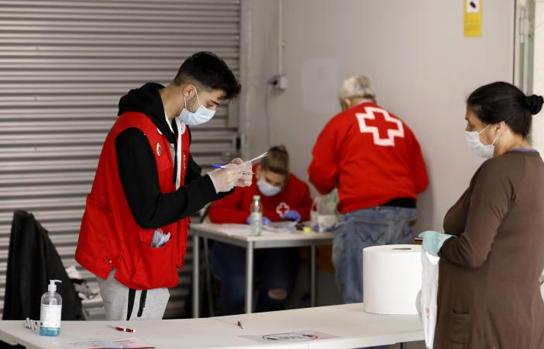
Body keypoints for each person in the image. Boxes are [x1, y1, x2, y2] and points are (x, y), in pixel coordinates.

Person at [75, 52, 251, 321]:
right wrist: (211, 185)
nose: (211, 112)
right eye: (211, 103)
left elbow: (192, 181)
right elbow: (149, 212)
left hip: (154, 258)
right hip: (128, 262)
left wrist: (228, 179)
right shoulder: (134, 133)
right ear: (190, 91)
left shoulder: (177, 129)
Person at [420, 81, 544, 349]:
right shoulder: (540, 171)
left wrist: (437, 242)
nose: (468, 131)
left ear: (498, 126)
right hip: (522, 318)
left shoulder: (498, 172)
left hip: (483, 324)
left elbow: (472, 252)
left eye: (471, 124)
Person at [308, 75, 428, 304]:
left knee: (360, 299)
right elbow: (420, 181)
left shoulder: (342, 122)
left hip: (364, 216)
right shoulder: (400, 124)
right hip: (405, 215)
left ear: (345, 102)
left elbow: (320, 174)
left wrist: (334, 188)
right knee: (391, 297)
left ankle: (370, 343)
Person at [208, 145, 312, 314]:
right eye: (269, 181)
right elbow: (216, 212)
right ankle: (229, 327)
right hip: (235, 246)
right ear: (260, 170)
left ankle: (260, 326)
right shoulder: (243, 180)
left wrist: (299, 214)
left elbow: (309, 209)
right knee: (238, 290)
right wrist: (247, 218)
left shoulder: (297, 186)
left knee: (279, 290)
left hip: (274, 249)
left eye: (278, 184)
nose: (272, 186)